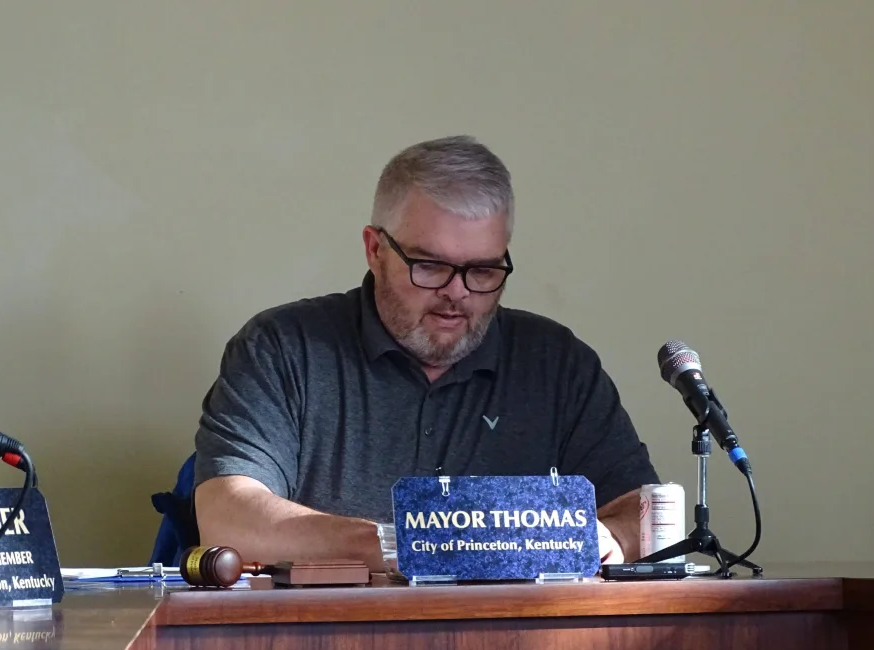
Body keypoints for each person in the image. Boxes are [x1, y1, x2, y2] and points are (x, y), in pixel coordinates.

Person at [192, 135, 659, 571]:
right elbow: (227, 517)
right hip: (328, 629)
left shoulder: (556, 364)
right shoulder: (281, 349)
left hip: (517, 628)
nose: (457, 293)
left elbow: (644, 510)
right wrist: (405, 545)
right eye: (430, 266)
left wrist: (613, 538)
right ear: (375, 250)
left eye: (482, 270)